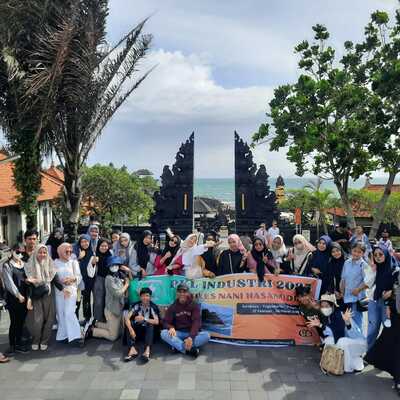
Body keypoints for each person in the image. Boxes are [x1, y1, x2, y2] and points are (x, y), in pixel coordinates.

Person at [307, 294, 366, 373]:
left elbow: (338, 331)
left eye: (327, 306)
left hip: (358, 343)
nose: (324, 308)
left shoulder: (339, 314)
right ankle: (329, 362)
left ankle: (348, 368)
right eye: (322, 306)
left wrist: (347, 323)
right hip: (348, 342)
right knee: (329, 340)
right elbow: (331, 334)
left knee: (342, 341)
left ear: (332, 306)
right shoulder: (328, 316)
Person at [25, 244, 67, 351]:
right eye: (40, 252)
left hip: (48, 293)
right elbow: (29, 285)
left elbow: (55, 279)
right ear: (36, 253)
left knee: (49, 318)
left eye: (44, 252)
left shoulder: (50, 263)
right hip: (36, 295)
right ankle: (36, 340)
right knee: (37, 320)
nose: (42, 254)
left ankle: (44, 340)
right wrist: (29, 298)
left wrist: (63, 289)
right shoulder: (30, 265)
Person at [365, 286, 400, 396]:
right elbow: (389, 290)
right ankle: (398, 379)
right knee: (393, 342)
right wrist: (388, 304)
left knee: (393, 342)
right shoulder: (396, 273)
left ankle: (397, 377)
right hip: (396, 313)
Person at [86, 256, 130, 342]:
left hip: (118, 308)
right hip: (112, 310)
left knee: (118, 332)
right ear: (109, 267)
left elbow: (128, 281)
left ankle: (96, 324)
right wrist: (126, 285)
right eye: (112, 265)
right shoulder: (109, 278)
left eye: (116, 265)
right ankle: (92, 331)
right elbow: (117, 293)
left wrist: (128, 272)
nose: (114, 267)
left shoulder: (118, 276)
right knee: (113, 336)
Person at [161, 282, 210, 357]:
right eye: (179, 292)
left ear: (188, 293)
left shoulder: (194, 305)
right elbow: (165, 322)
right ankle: (189, 350)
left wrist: (190, 337)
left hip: (191, 333)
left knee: (206, 336)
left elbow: (196, 322)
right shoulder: (173, 307)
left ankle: (178, 347)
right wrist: (170, 327)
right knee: (164, 333)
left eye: (184, 292)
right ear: (177, 293)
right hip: (178, 333)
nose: (182, 294)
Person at [365, 245, 396, 350]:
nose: (378, 257)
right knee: (372, 329)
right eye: (375, 255)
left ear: (386, 254)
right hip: (374, 300)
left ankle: (388, 357)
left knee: (388, 329)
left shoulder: (395, 269)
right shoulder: (375, 268)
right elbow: (367, 283)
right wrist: (372, 270)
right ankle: (368, 353)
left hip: (388, 304)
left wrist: (392, 292)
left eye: (381, 254)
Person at [2, 244, 29, 355]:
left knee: (22, 321)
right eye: (17, 252)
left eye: (22, 253)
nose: (20, 254)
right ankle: (12, 345)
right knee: (14, 321)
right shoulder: (7, 265)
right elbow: (9, 283)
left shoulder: (24, 264)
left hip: (25, 297)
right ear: (12, 251)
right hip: (14, 298)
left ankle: (19, 343)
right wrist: (18, 295)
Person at [54, 243, 82, 344]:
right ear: (60, 251)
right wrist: (61, 282)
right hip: (59, 292)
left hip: (71, 291)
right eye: (66, 251)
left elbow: (79, 276)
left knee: (69, 312)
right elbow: (53, 278)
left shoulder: (73, 262)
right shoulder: (54, 263)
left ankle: (76, 336)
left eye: (70, 251)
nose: (69, 253)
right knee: (61, 313)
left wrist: (73, 279)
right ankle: (63, 335)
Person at [124, 287, 160, 363]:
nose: (145, 298)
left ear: (150, 297)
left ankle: (147, 350)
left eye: (147, 295)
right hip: (137, 332)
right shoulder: (136, 305)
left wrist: (144, 319)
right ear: (140, 297)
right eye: (143, 296)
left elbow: (157, 321)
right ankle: (132, 349)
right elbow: (127, 318)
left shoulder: (153, 307)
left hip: (148, 333)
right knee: (130, 323)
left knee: (150, 324)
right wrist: (131, 330)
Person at [340, 242, 368, 329]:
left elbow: (368, 282)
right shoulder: (347, 262)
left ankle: (358, 340)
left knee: (356, 320)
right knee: (347, 321)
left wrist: (358, 289)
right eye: (354, 251)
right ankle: (350, 339)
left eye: (359, 252)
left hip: (357, 298)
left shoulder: (364, 265)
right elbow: (343, 279)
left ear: (363, 253)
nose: (356, 253)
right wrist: (342, 291)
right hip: (346, 297)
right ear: (351, 250)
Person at [74, 234, 94, 322]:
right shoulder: (75, 251)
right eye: (82, 242)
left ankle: (87, 318)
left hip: (88, 280)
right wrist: (79, 257)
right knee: (77, 300)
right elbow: (71, 264)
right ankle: (75, 319)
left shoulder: (92, 252)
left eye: (86, 241)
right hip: (77, 280)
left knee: (87, 299)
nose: (84, 244)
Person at [93, 239, 112, 322]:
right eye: (102, 246)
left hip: (108, 278)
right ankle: (97, 318)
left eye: (106, 246)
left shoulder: (110, 254)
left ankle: (106, 318)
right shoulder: (95, 255)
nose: (104, 248)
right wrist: (93, 262)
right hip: (98, 279)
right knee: (98, 300)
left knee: (107, 299)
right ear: (98, 246)